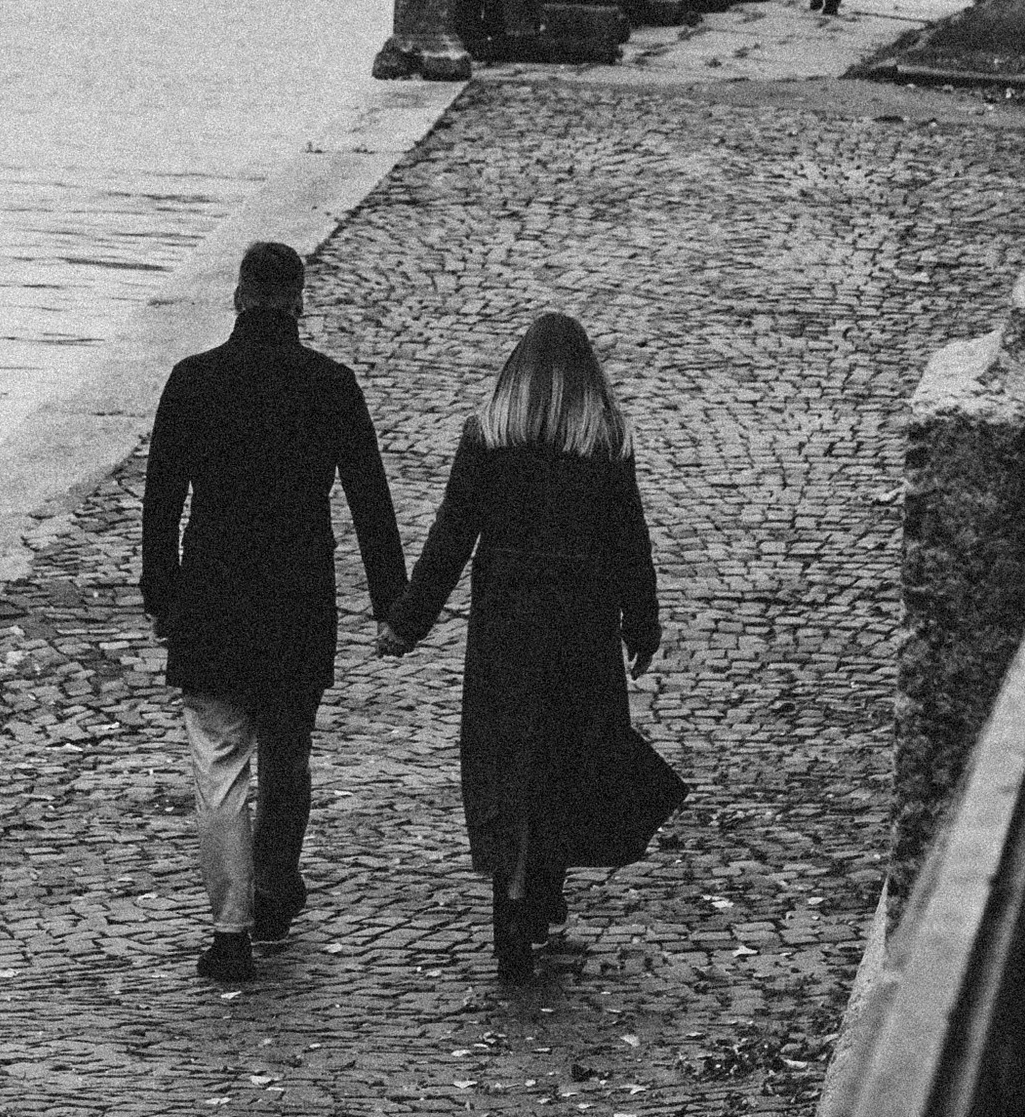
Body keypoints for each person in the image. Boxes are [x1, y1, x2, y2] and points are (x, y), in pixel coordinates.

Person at [379, 313, 686, 985]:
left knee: (506, 755)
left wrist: (408, 622)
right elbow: (629, 543)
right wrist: (643, 625)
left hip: (508, 622)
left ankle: (511, 890)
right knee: (564, 755)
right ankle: (543, 890)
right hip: (582, 621)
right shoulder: (604, 439)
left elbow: (451, 536)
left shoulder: (490, 434)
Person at [141, 238, 405, 988]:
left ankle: (230, 933)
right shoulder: (331, 384)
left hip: (214, 601)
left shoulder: (192, 382)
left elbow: (162, 504)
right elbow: (369, 501)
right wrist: (394, 604)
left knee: (219, 770)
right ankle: (276, 885)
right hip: (297, 601)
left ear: (236, 298)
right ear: (298, 301)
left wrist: (162, 595)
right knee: (288, 759)